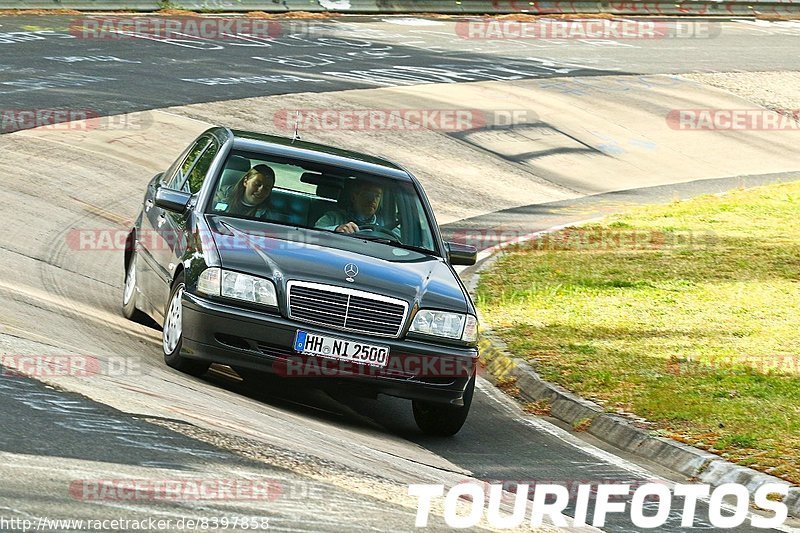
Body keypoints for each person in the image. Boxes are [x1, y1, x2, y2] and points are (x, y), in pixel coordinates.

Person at [315, 180, 389, 234]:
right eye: (368, 194)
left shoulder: (385, 227)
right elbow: (315, 232)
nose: (373, 199)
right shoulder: (333, 217)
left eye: (377, 196)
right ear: (354, 197)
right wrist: (336, 229)